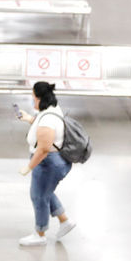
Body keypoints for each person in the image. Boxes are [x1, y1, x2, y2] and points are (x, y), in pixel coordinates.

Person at [16, 81, 78, 246]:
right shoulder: (51, 110)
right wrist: (29, 119)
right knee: (46, 191)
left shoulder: (47, 120)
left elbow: (43, 149)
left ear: (39, 98)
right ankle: (65, 221)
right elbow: (41, 127)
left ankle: (40, 233)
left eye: (33, 97)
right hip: (51, 162)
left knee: (39, 196)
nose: (32, 100)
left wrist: (29, 167)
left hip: (47, 163)